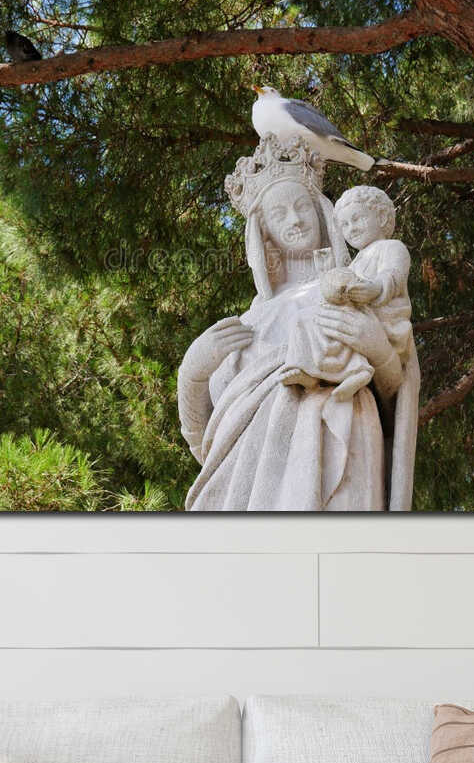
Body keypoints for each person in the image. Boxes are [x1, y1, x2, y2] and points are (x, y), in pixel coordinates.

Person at [178, 139, 419, 511]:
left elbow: (398, 398)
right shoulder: (248, 323)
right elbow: (205, 447)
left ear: (321, 211)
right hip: (249, 482)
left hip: (343, 438)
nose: (295, 220)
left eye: (302, 205)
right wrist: (192, 376)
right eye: (279, 214)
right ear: (264, 234)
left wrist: (376, 348)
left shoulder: (358, 284)